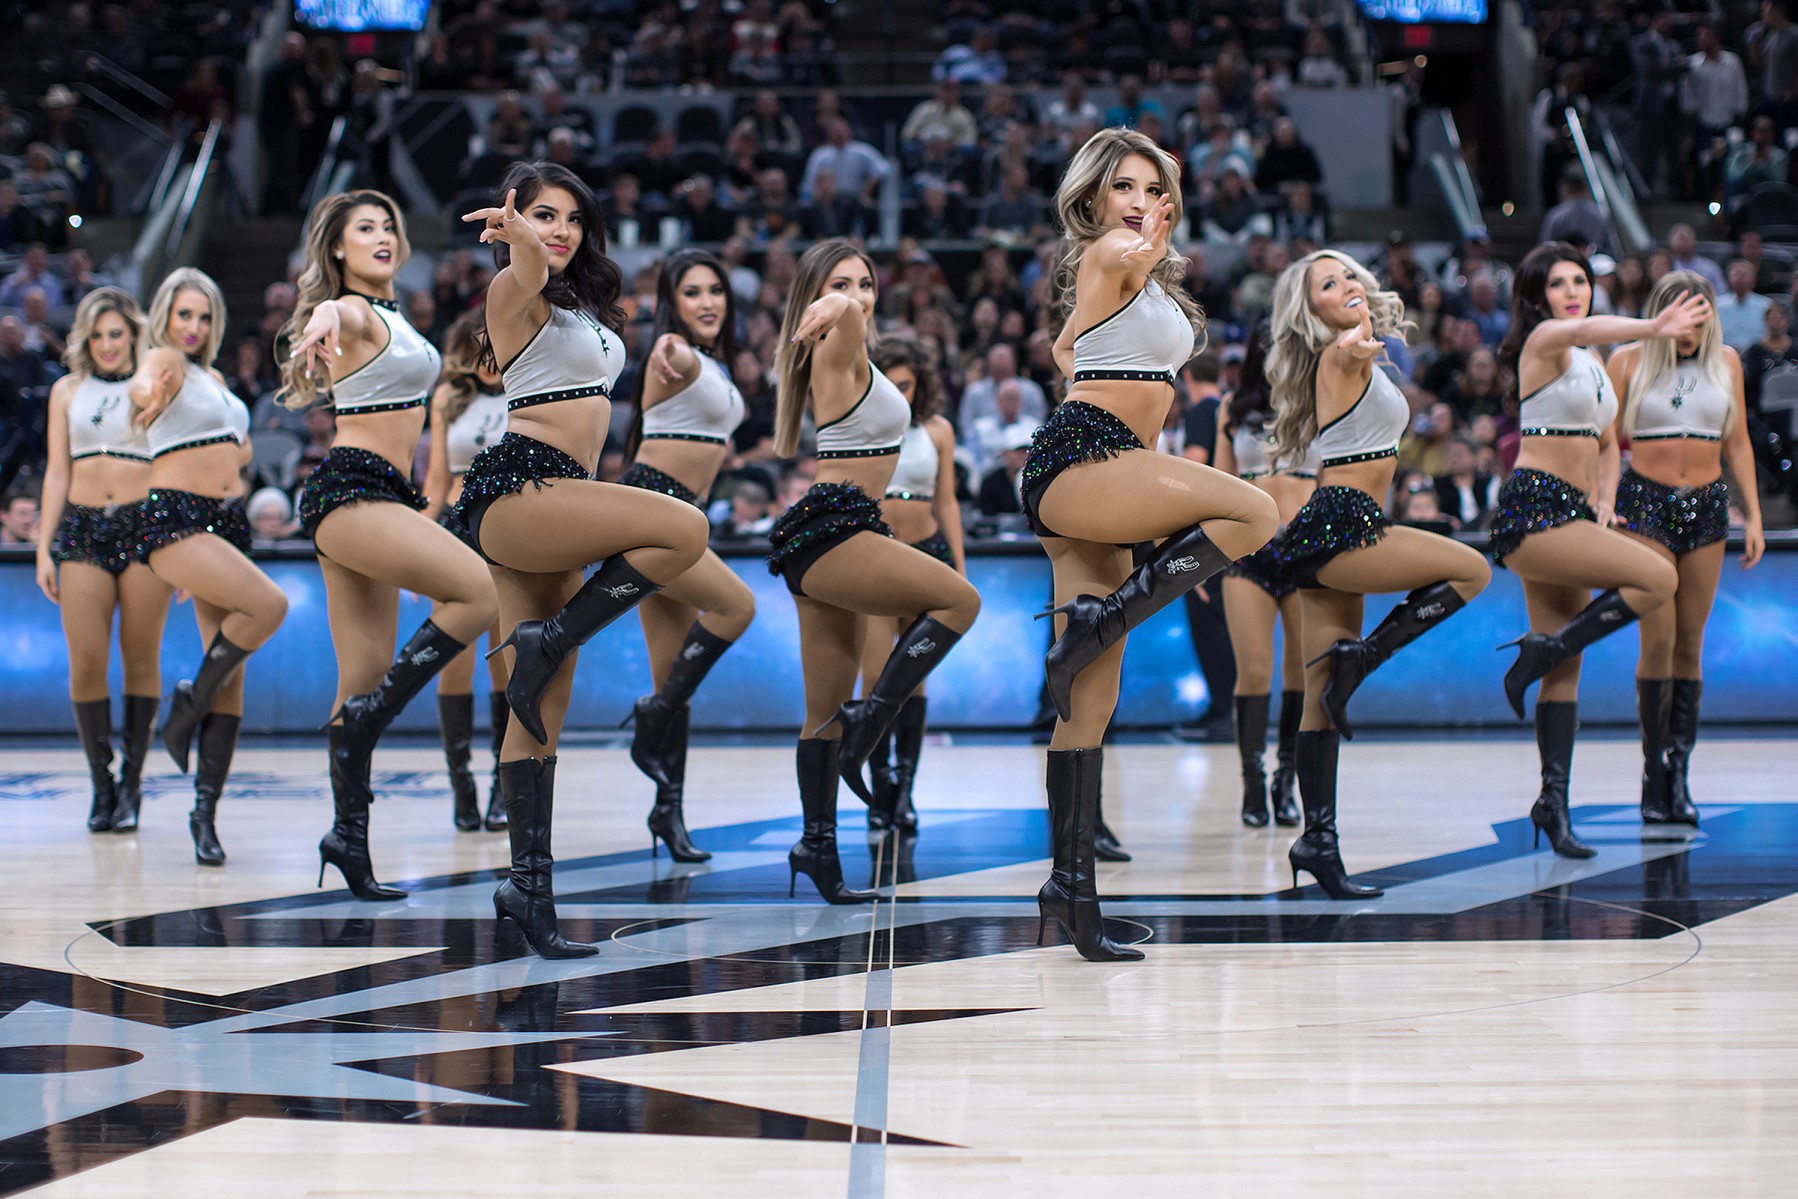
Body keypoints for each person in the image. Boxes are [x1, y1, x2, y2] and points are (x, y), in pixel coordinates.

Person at [1023, 128, 1277, 959]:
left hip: (1109, 474)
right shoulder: (1110, 252)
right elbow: (1120, 264)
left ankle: (1072, 888)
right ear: (1094, 196)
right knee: (1255, 511)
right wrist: (1143, 248)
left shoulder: (1137, 279)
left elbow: (1067, 348)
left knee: (1089, 702)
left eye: (1154, 189)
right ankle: (1097, 624)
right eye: (1125, 186)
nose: (1140, 202)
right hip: (1085, 459)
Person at [456, 163, 709, 957]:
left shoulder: (583, 311)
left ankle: (528, 890)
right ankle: (552, 637)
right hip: (521, 491)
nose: (559, 229)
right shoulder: (513, 292)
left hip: (559, 504)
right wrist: (522, 241)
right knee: (685, 530)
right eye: (543, 213)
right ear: (515, 222)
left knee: (537, 712)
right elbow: (528, 264)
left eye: (571, 217)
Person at [283, 191, 500, 899]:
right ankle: (373, 717)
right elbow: (334, 314)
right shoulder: (350, 309)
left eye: (387, 226)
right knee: (480, 591)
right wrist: (323, 315)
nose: (381, 236)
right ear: (337, 248)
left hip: (382, 493)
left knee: (362, 676)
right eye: (364, 228)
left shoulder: (396, 313)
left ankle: (347, 836)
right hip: (352, 491)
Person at [1266, 250, 1491, 896]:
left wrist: (1367, 331)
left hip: (1332, 526)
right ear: (1311, 309)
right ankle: (1363, 658)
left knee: (1320, 698)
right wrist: (1362, 331)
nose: (1346, 285)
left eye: (1349, 275)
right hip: (1344, 524)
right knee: (1471, 570)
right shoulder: (1340, 352)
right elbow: (1355, 345)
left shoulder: (1347, 355)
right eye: (1328, 283)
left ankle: (1318, 841)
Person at [768, 238, 981, 904]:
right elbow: (849, 322)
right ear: (815, 295)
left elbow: (854, 322)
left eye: (865, 283)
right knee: (960, 602)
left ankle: (816, 846)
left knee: (821, 712)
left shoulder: (847, 348)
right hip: (839, 526)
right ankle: (872, 722)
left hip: (828, 532)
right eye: (841, 283)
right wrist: (838, 307)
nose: (858, 295)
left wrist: (839, 305)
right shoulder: (837, 344)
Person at [1489, 242, 1700, 858]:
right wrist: (1655, 326)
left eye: (1579, 280)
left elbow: (1609, 442)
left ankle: (1552, 804)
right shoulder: (1545, 342)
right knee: (1658, 578)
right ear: (1539, 297)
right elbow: (1581, 328)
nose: (1572, 291)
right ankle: (1542, 650)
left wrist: (1606, 501)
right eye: (1558, 283)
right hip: (1535, 508)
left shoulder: (1592, 362)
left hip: (1576, 514)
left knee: (1565, 672)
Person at [128, 268, 289, 866]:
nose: (193, 326)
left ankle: (204, 816)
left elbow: (234, 446)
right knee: (269, 605)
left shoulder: (216, 379)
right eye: (184, 315)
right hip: (176, 517)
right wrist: (145, 390)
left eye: (203, 316)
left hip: (226, 522)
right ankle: (187, 708)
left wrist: (237, 453)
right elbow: (145, 383)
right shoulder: (165, 361)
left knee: (233, 677)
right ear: (165, 318)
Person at [1605, 272, 1764, 828]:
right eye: (1678, 311)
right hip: (1644, 505)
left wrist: (1754, 514)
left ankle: (1679, 774)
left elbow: (1738, 441)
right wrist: (1601, 500)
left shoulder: (1727, 362)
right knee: (1658, 641)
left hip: (1708, 505)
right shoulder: (1627, 360)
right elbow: (1604, 441)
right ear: (1659, 313)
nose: (1689, 324)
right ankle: (1653, 773)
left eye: (1699, 312)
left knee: (1691, 644)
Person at [618, 250, 756, 861]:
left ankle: (667, 810)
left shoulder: (715, 362)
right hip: (655, 510)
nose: (707, 302)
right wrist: (669, 348)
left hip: (680, 515)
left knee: (672, 673)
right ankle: (653, 717)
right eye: (693, 292)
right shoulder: (672, 348)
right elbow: (667, 352)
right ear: (671, 303)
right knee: (736, 606)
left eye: (715, 291)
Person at [35, 288, 170, 835]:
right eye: (97, 336)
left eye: (116, 333)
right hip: (83, 528)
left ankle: (132, 785)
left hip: (146, 527)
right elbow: (56, 472)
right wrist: (43, 546)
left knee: (141, 658)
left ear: (134, 334)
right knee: (87, 662)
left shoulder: (157, 384)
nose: (108, 344)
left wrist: (183, 544)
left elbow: (174, 464)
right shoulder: (67, 390)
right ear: (85, 340)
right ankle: (102, 783)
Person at [856, 340, 964, 835]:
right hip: (876, 557)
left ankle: (904, 792)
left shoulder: (938, 430)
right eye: (889, 384)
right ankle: (879, 786)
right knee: (875, 676)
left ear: (920, 385)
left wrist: (958, 568)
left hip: (927, 554)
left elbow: (947, 502)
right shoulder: (861, 426)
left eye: (906, 385)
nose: (898, 393)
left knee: (914, 677)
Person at [1213, 323, 1315, 829]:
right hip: (1246, 548)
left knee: (1301, 671)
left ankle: (1285, 780)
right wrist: (1205, 556)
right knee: (1254, 670)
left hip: (1306, 547)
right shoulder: (1231, 409)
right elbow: (1216, 485)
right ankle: (1252, 783)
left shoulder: (1319, 403)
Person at [422, 311, 511, 834]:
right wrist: (415, 546)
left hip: (508, 528)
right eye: (479, 347)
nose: (488, 357)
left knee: (504, 660)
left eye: (496, 345)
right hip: (455, 528)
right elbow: (435, 480)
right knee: (453, 661)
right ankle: (461, 784)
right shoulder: (447, 399)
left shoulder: (528, 390)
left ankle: (503, 783)